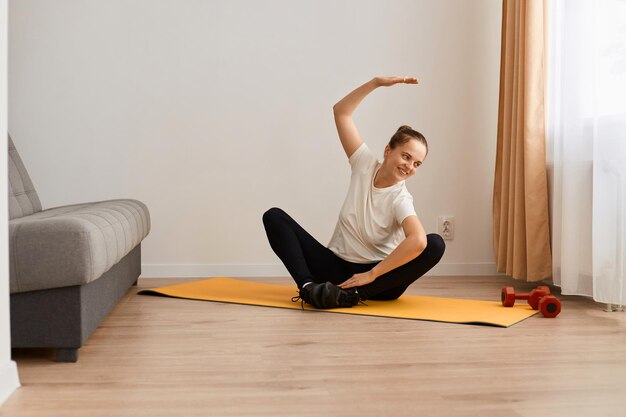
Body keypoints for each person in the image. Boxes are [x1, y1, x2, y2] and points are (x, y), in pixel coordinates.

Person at [262, 76, 445, 309]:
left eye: (417, 164)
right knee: (274, 216)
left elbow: (419, 241)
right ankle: (309, 289)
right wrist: (376, 83)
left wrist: (372, 274)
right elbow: (341, 112)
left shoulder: (401, 198)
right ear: (388, 151)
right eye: (406, 156)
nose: (410, 166)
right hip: (336, 270)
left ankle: (353, 295)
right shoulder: (363, 164)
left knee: (436, 244)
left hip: (378, 283)